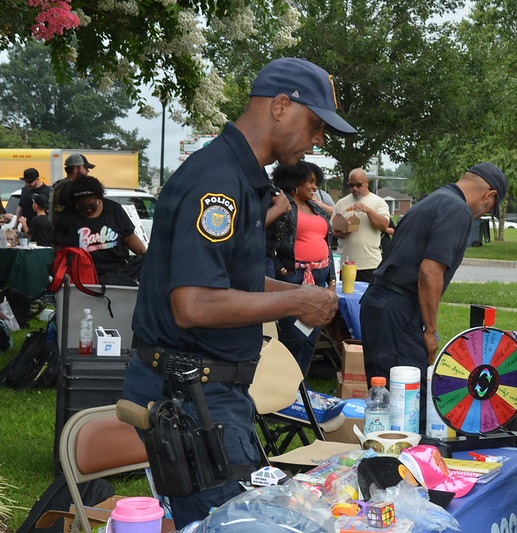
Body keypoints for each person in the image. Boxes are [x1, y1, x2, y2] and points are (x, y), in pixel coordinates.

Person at [122, 57, 353, 528]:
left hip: (211, 392)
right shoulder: (218, 182)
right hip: (191, 396)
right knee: (232, 523)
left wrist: (297, 291)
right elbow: (194, 303)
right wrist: (296, 301)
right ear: (282, 106)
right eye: (315, 124)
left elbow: (230, 282)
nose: (319, 140)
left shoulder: (243, 178)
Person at [360, 162, 508, 427]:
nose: (481, 214)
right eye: (488, 210)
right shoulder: (458, 210)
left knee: (384, 402)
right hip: (398, 309)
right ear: (489, 195)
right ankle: (402, 464)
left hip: (380, 303)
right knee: (408, 405)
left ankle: (383, 459)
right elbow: (430, 272)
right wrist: (431, 330)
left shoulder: (437, 199)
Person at [266, 161, 335, 374]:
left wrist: (332, 279)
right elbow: (267, 242)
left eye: (316, 182)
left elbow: (326, 243)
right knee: (294, 336)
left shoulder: (316, 208)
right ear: (294, 182)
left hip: (319, 278)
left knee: (311, 335)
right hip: (294, 278)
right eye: (310, 181)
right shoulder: (282, 208)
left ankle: (300, 385)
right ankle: (284, 385)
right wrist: (282, 271)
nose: (315, 187)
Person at [52, 175, 147, 281]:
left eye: (92, 206)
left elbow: (129, 237)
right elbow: (59, 250)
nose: (88, 210)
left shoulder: (114, 210)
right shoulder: (66, 218)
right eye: (83, 207)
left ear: (99, 198)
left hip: (117, 272)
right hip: (82, 274)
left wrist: (144, 255)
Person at [332, 168, 390, 282]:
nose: (355, 188)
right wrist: (340, 233)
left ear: (367, 182)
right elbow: (332, 229)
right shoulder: (342, 203)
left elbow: (384, 225)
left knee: (368, 299)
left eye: (358, 185)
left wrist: (368, 210)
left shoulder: (378, 202)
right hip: (345, 262)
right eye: (351, 185)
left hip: (369, 264)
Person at [50, 153, 94, 223]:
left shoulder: (58, 185)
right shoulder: (74, 187)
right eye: (85, 168)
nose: (87, 171)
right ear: (76, 169)